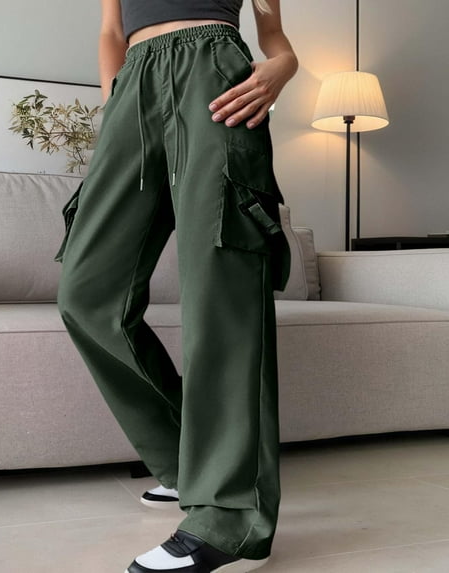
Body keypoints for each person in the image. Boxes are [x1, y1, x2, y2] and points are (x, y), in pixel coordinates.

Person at [55, 1, 298, 571]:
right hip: (132, 86)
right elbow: (111, 29)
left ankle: (229, 520)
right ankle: (190, 463)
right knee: (87, 294)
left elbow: (277, 38)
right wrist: (117, 99)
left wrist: (281, 69)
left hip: (213, 73)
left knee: (221, 290)